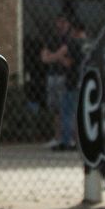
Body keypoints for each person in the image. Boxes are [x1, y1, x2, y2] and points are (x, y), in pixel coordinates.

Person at [38, 14, 79, 150]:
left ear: (68, 24)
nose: (60, 24)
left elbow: (67, 60)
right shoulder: (52, 38)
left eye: (63, 22)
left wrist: (53, 55)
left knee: (66, 109)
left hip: (64, 77)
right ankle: (58, 137)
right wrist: (58, 56)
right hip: (52, 75)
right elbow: (44, 58)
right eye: (59, 21)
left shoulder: (70, 39)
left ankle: (69, 138)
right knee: (55, 108)